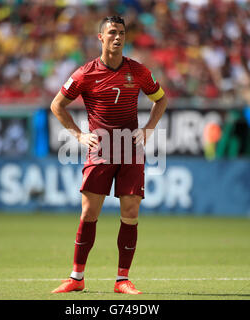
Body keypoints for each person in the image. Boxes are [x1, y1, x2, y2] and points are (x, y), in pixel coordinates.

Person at [50, 16, 167, 294]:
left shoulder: (137, 71)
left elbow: (160, 99)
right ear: (100, 37)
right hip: (100, 150)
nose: (118, 37)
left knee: (130, 212)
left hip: (130, 150)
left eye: (122, 33)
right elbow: (58, 105)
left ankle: (122, 280)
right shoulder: (85, 73)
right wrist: (79, 135)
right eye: (112, 32)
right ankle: (76, 278)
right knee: (89, 212)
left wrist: (149, 128)